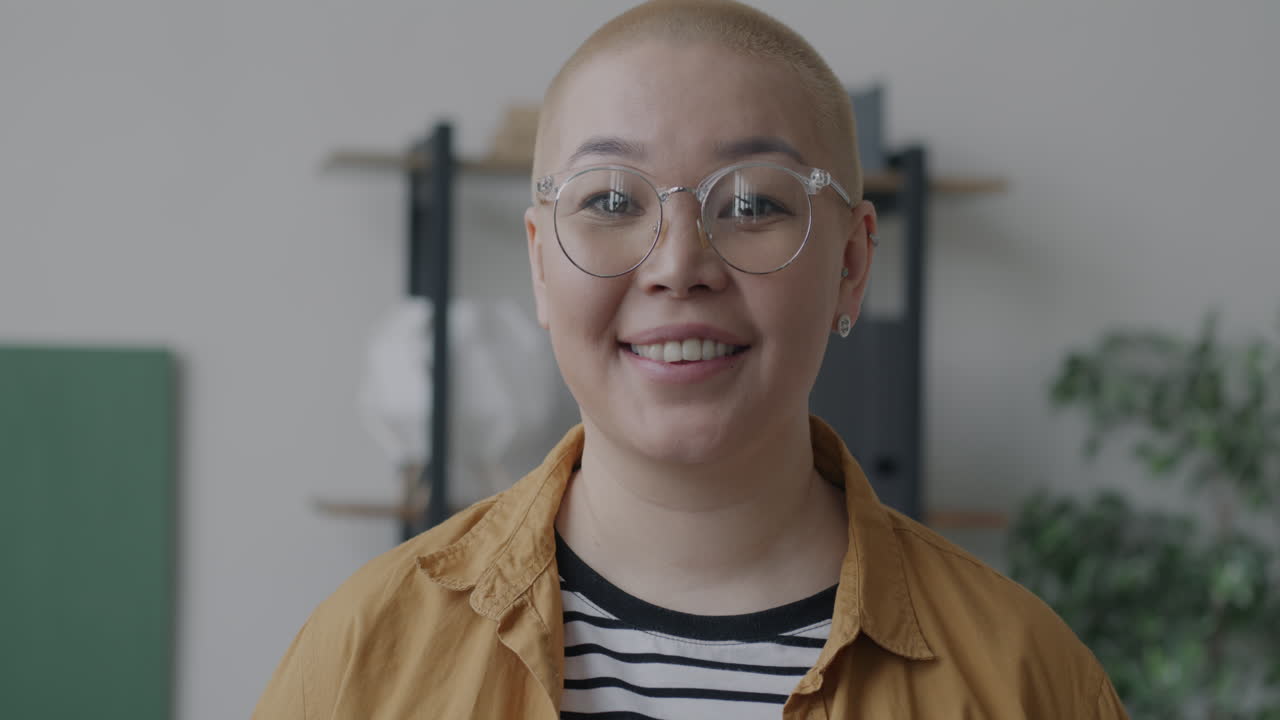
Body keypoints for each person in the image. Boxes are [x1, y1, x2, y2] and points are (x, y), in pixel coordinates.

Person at [254, 1, 1129, 717]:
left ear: (852, 266)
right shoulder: (363, 657)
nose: (679, 266)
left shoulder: (1028, 683)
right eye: (608, 199)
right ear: (539, 265)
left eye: (751, 203)